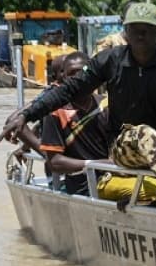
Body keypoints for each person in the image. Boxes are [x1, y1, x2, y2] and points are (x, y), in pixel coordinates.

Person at [0, 2, 156, 192]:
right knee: (143, 132)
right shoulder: (109, 60)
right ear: (126, 33)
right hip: (122, 146)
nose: (140, 34)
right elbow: (69, 90)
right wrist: (27, 115)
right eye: (135, 29)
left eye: (147, 29)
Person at [37, 51, 112, 195]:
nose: (79, 78)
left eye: (83, 72)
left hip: (116, 175)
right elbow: (55, 162)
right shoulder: (55, 112)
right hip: (84, 184)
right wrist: (93, 165)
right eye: (72, 73)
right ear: (63, 78)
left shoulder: (107, 104)